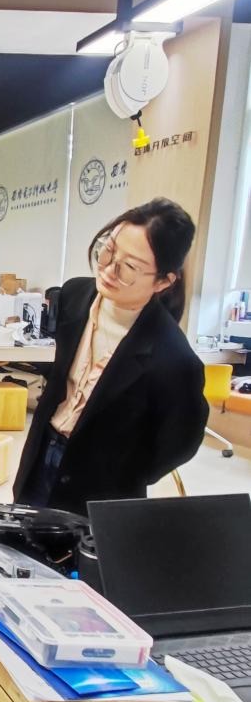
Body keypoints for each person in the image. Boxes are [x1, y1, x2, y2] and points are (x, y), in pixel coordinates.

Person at [13, 198, 208, 516]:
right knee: (22, 538)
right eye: (109, 250)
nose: (109, 269)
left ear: (163, 281)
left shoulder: (173, 359)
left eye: (130, 267)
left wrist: (123, 468)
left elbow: (179, 444)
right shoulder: (75, 296)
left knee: (80, 548)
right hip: (41, 455)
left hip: (102, 489)